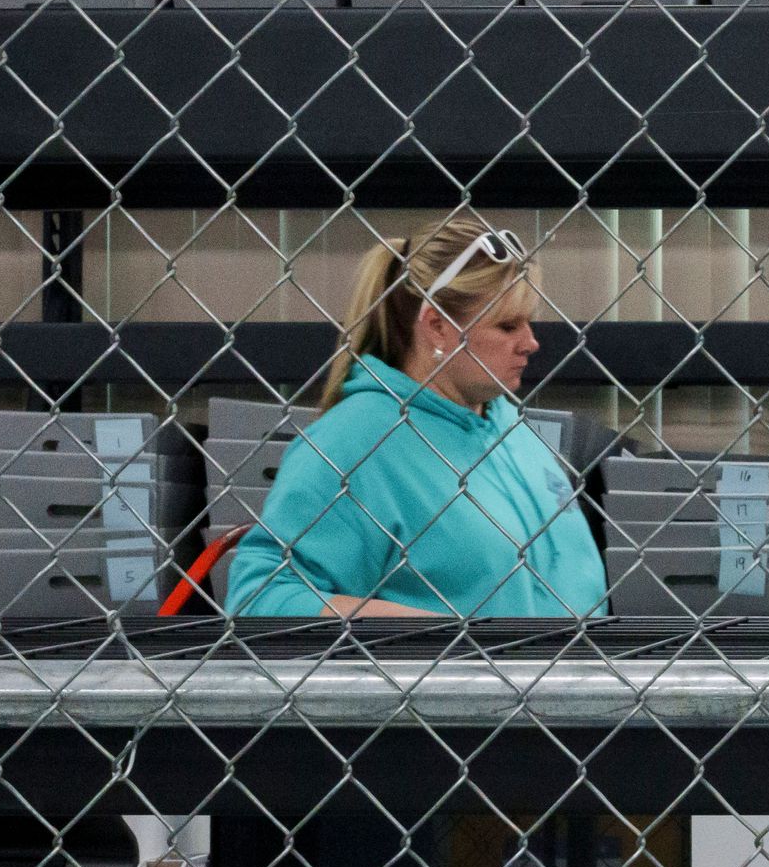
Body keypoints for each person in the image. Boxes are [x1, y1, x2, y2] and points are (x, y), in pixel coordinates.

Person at [224, 214, 610, 620]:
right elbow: (260, 600)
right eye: (507, 325)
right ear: (438, 326)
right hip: (460, 681)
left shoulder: (508, 425)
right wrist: (445, 641)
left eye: (529, 322)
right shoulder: (353, 446)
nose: (531, 343)